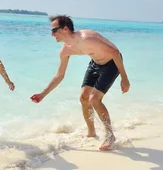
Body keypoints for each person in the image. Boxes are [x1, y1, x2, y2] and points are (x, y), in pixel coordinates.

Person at [30, 15, 130, 151]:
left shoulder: (87, 38)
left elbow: (115, 52)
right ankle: (91, 133)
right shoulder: (65, 50)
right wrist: (43, 94)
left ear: (65, 29)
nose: (52, 34)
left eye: (54, 30)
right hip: (95, 63)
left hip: (112, 63)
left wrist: (124, 78)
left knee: (94, 99)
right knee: (84, 98)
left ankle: (110, 135)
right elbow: (60, 75)